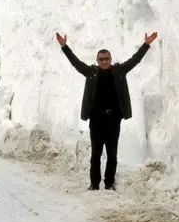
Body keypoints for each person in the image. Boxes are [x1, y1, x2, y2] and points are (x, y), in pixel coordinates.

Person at [56, 31, 158, 190]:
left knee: (112, 154)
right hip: (96, 119)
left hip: (113, 119)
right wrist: (64, 46)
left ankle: (109, 183)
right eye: (101, 59)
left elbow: (134, 60)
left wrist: (146, 44)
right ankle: (94, 184)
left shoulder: (119, 71)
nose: (104, 61)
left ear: (111, 60)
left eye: (107, 59)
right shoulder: (91, 72)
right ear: (97, 61)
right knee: (95, 154)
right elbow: (75, 62)